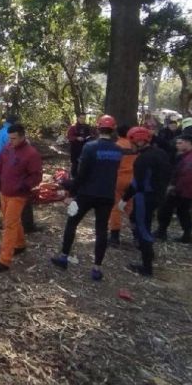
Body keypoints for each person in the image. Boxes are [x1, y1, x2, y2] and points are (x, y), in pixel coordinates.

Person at [51, 114, 122, 281]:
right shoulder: (118, 150)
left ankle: (63, 257)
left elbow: (82, 174)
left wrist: (70, 188)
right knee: (101, 230)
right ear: (113, 130)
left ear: (98, 128)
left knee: (72, 222)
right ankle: (97, 268)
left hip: (86, 193)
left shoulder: (90, 147)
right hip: (106, 194)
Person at [0, 124, 43, 273]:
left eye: (13, 138)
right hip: (4, 191)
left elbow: (36, 176)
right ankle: (20, 244)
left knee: (9, 225)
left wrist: (23, 186)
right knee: (12, 221)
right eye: (9, 138)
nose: (11, 141)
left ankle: (4, 260)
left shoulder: (31, 154)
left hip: (18, 195)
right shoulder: (8, 148)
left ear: (22, 136)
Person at [121, 126, 172, 276]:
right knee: (143, 224)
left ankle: (146, 267)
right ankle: (148, 254)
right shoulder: (161, 153)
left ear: (137, 141)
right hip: (159, 196)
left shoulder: (142, 160)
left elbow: (137, 184)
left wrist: (124, 199)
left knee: (143, 229)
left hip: (144, 197)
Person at [155, 135, 192, 244]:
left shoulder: (191, 159)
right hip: (186, 190)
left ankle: (162, 231)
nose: (177, 145)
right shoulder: (186, 156)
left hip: (182, 190)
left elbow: (185, 176)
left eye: (180, 143)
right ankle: (186, 235)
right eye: (177, 143)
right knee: (183, 213)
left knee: (166, 209)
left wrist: (173, 187)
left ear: (188, 143)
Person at [107, 125, 137, 246]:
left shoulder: (116, 146)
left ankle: (114, 237)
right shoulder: (135, 146)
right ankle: (137, 235)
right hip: (133, 180)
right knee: (131, 208)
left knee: (116, 207)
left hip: (118, 179)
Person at [66, 113, 94, 178]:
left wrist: (89, 138)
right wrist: (76, 138)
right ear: (78, 118)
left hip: (85, 148)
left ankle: (84, 178)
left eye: (84, 118)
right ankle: (73, 178)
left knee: (85, 163)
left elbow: (92, 135)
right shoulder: (73, 127)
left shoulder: (88, 127)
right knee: (75, 163)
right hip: (75, 148)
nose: (82, 120)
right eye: (81, 118)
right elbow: (69, 136)